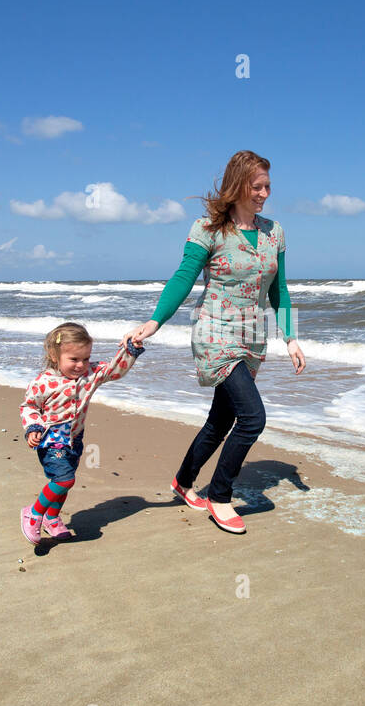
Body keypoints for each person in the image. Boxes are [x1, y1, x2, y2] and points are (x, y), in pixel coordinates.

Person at [125, 150, 305, 534]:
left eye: (267, 186)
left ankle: (183, 481)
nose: (263, 193)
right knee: (253, 417)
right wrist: (155, 321)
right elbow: (183, 277)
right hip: (215, 332)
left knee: (221, 419)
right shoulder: (207, 229)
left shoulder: (276, 232)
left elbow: (281, 291)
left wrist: (290, 337)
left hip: (254, 338)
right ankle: (220, 496)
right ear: (237, 185)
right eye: (256, 186)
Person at [19, 322, 144, 544]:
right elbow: (29, 407)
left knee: (65, 482)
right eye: (74, 360)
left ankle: (52, 517)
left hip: (74, 439)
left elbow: (114, 370)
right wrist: (33, 427)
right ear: (54, 355)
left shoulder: (90, 374)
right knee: (64, 479)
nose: (81, 365)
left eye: (85, 359)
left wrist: (129, 350)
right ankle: (34, 512)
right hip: (50, 439)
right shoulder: (43, 383)